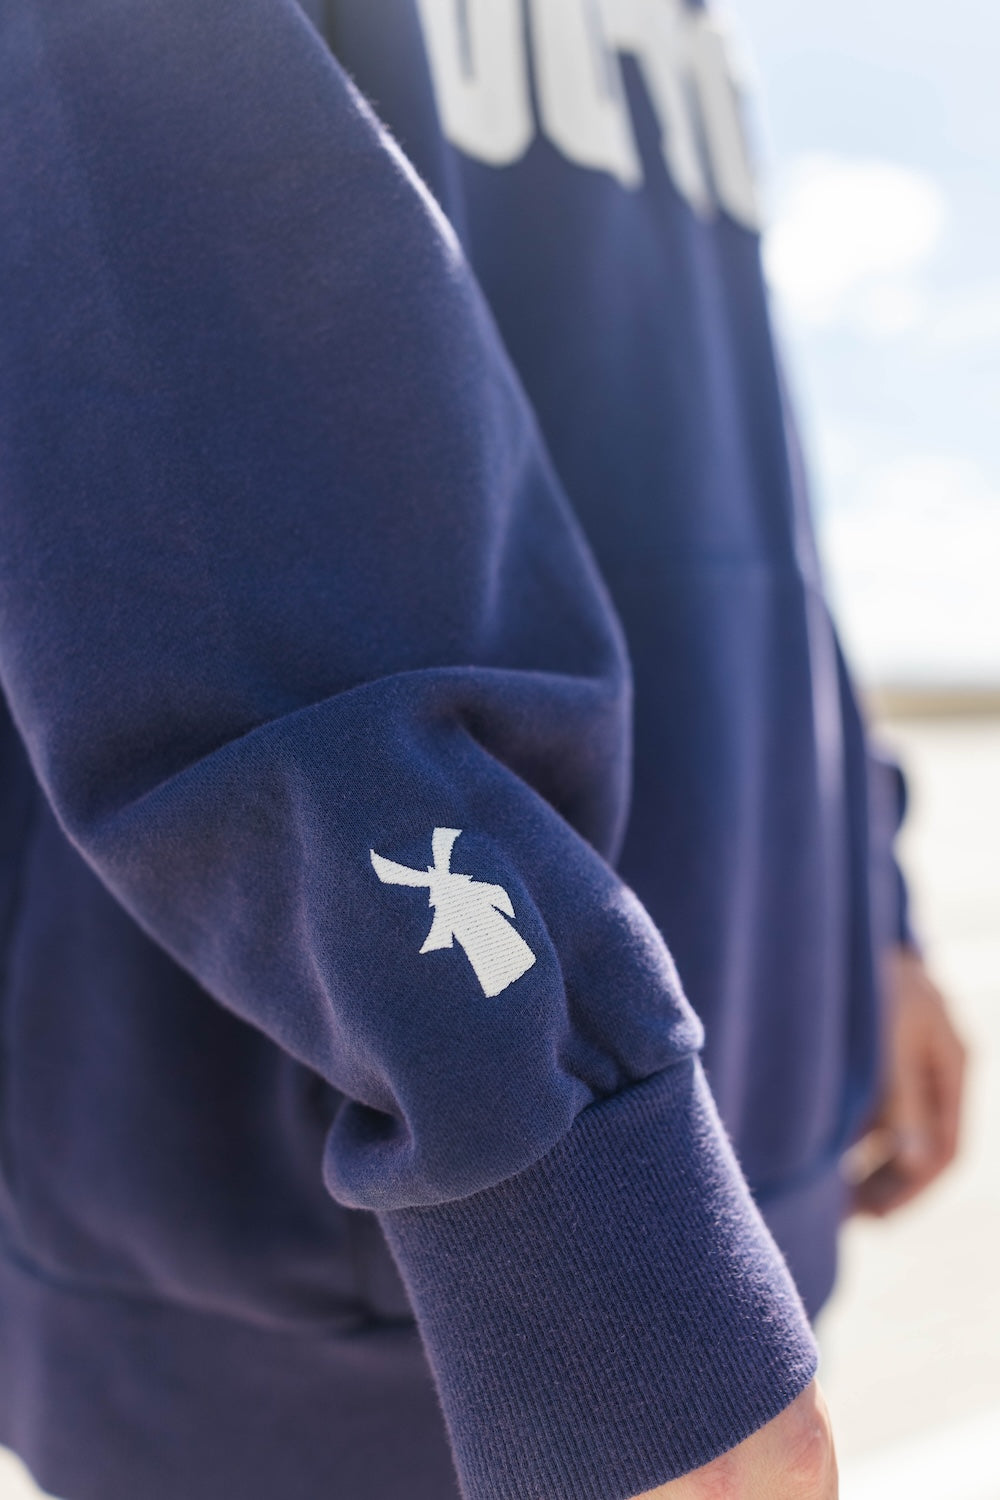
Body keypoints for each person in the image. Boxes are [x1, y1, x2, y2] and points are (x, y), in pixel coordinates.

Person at [0, 2, 966, 1498]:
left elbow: (724, 454)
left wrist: (865, 902)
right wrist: (586, 1245)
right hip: (370, 1268)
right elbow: (151, 332)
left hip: (731, 1164)